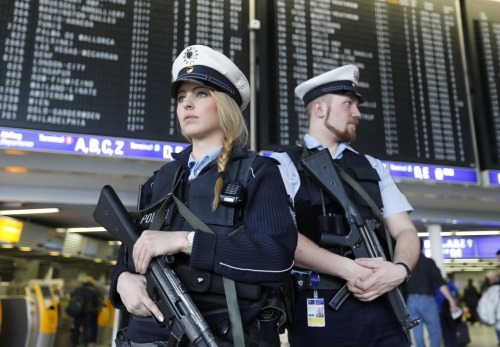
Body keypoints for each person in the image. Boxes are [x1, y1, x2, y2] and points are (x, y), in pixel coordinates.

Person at [108, 44, 298, 346]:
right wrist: (121, 282)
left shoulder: (257, 172)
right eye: (181, 97)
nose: (186, 104)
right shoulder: (160, 180)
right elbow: (127, 256)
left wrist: (186, 241)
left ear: (225, 104)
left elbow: (276, 259)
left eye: (200, 94)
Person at [271, 64, 420, 346]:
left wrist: (399, 270)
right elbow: (282, 236)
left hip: (386, 302)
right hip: (320, 307)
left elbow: (406, 232)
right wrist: (349, 269)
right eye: (348, 104)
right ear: (319, 109)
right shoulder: (284, 164)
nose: (357, 113)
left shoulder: (373, 167)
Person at [406, 241, 458, 347]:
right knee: (434, 330)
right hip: (427, 299)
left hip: (410, 300)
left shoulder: (407, 262)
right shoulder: (428, 262)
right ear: (422, 247)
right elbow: (440, 283)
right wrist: (451, 300)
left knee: (417, 331)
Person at [70, 276, 104, 347]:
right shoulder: (95, 290)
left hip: (78, 311)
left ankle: (74, 342)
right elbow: (98, 301)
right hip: (88, 312)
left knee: (76, 327)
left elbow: (73, 298)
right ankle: (85, 343)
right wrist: (96, 310)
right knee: (86, 328)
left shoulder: (79, 289)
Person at [435, 275, 460, 347]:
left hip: (439, 311)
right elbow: (456, 293)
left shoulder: (434, 284)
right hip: (449, 310)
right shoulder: (448, 283)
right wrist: (452, 297)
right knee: (452, 329)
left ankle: (448, 344)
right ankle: (454, 344)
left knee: (445, 331)